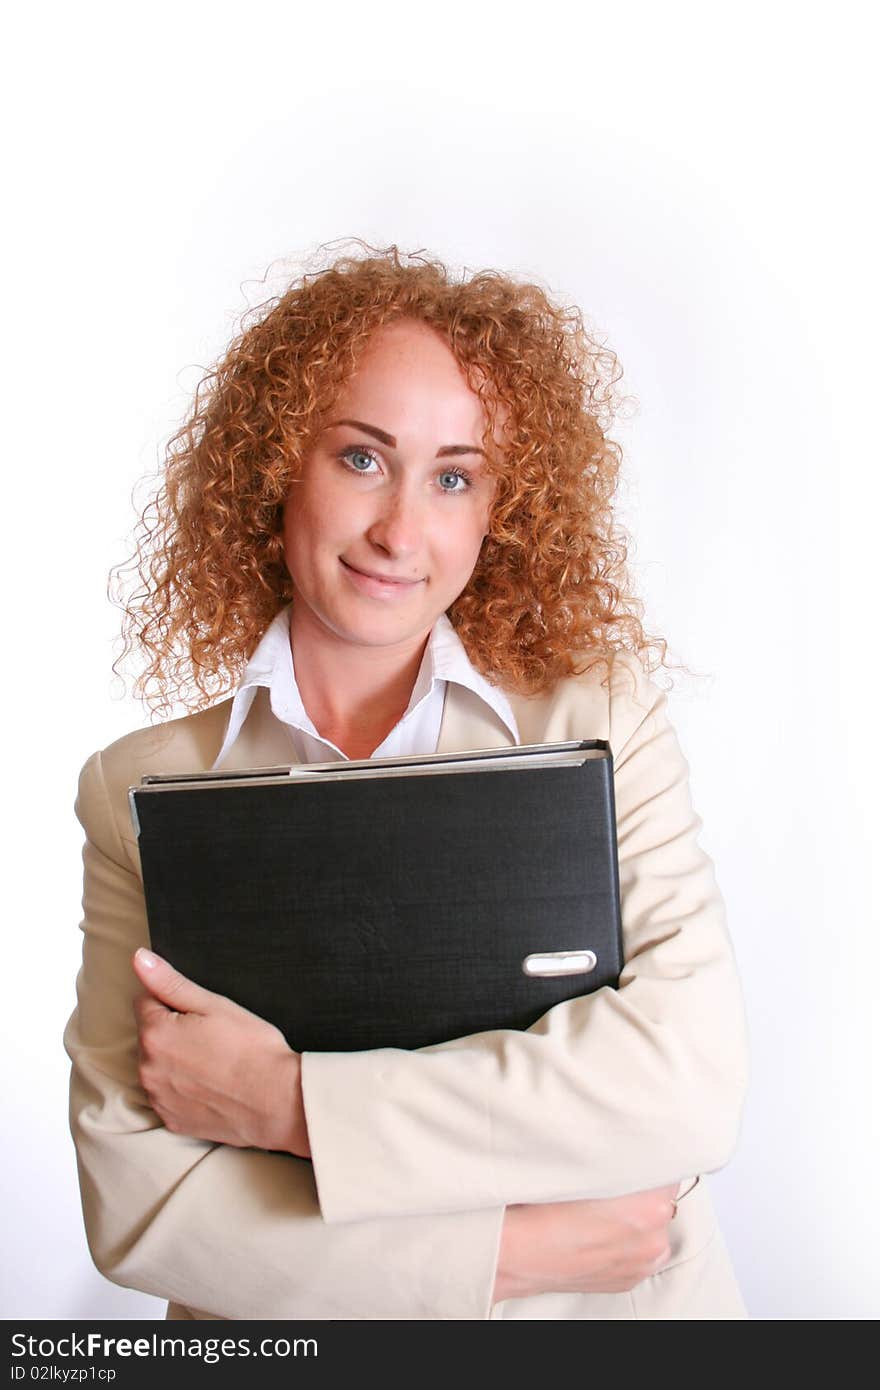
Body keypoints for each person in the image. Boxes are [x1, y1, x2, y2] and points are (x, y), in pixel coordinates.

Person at [64, 243, 750, 1320]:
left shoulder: (601, 724)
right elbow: (145, 1209)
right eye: (361, 458)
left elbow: (685, 1089)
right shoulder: (141, 790)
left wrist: (286, 1105)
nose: (399, 531)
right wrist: (508, 1251)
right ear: (276, 462)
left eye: (453, 477)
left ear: (499, 512)